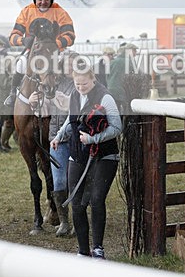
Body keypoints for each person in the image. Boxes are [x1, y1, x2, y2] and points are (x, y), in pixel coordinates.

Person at [50, 66, 122, 259]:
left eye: (84, 83)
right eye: (77, 83)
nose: (81, 87)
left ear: (93, 79)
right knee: (77, 204)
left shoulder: (105, 97)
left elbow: (117, 127)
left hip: (104, 155)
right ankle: (82, 251)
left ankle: (98, 248)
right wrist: (58, 136)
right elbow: (70, 119)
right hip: (77, 154)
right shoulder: (74, 94)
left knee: (97, 200)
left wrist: (93, 139)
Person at [4, 0, 76, 106]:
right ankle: (13, 93)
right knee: (21, 64)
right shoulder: (26, 12)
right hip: (34, 51)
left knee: (69, 67)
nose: (43, 2)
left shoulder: (60, 12)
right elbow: (13, 37)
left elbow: (70, 36)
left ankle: (75, 96)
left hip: (56, 52)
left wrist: (56, 44)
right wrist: (23, 40)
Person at [30, 50, 79, 236]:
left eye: (71, 63)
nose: (68, 67)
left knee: (74, 181)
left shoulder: (81, 85)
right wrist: (35, 103)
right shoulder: (55, 84)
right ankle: (64, 222)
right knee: (59, 181)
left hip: (75, 139)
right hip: (57, 140)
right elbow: (44, 110)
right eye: (65, 63)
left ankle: (77, 222)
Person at [106, 43, 137, 114]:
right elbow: (134, 78)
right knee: (127, 112)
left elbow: (107, 76)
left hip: (111, 90)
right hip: (124, 91)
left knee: (113, 112)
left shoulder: (113, 62)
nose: (136, 53)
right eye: (134, 50)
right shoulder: (131, 62)